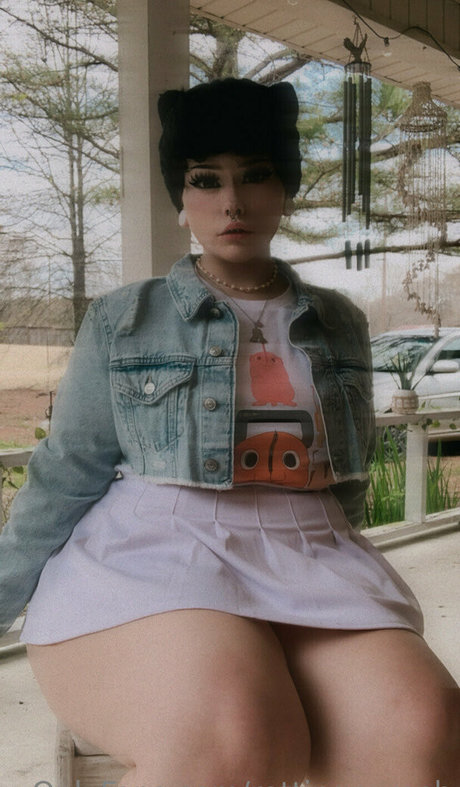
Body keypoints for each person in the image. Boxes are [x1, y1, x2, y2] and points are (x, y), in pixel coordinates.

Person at [0, 78, 458, 787]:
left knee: (420, 726)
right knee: (232, 735)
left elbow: (349, 469)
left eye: (256, 175)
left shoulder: (338, 320)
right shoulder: (126, 316)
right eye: (205, 179)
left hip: (309, 545)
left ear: (286, 189)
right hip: (159, 548)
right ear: (181, 197)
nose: (232, 202)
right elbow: (67, 470)